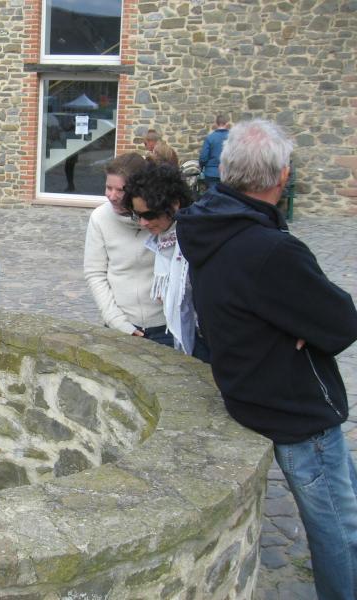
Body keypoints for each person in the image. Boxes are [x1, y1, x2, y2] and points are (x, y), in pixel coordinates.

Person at [176, 119, 357, 600]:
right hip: (295, 410)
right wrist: (299, 327)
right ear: (282, 176)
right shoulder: (270, 249)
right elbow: (342, 322)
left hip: (248, 388)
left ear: (227, 170)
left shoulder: (206, 225)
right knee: (340, 531)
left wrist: (295, 323)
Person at [122, 163, 208, 361]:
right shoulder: (164, 238)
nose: (143, 222)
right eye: (138, 215)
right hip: (186, 337)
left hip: (205, 337)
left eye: (149, 214)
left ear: (174, 204)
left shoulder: (197, 237)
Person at [83, 153, 169, 345]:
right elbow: (95, 273)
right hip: (121, 325)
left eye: (120, 190)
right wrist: (117, 322)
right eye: (108, 187)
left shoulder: (163, 219)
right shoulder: (100, 218)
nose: (112, 196)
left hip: (165, 326)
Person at [198, 114, 229, 187]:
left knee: (212, 194)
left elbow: (203, 157)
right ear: (226, 124)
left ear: (216, 124)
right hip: (228, 173)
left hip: (211, 173)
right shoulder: (232, 137)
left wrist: (201, 166)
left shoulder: (210, 138)